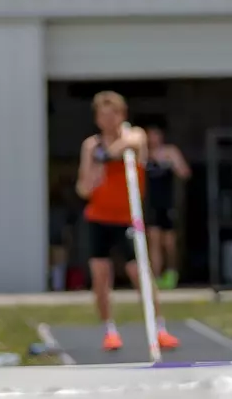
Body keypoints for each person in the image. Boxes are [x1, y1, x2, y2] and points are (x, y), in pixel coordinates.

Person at [77, 92, 179, 353]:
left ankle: (160, 328)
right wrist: (94, 174)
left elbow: (130, 145)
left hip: (127, 219)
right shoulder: (91, 145)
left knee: (139, 274)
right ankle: (109, 331)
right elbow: (83, 188)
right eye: (102, 116)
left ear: (121, 115)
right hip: (99, 218)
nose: (107, 121)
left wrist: (109, 153)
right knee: (101, 276)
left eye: (112, 115)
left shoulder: (135, 136)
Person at [144, 126, 191, 291]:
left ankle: (171, 273)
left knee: (169, 243)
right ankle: (155, 278)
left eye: (155, 134)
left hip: (168, 204)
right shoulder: (142, 154)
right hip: (151, 204)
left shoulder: (170, 152)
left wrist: (171, 163)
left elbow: (185, 173)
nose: (152, 138)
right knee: (154, 241)